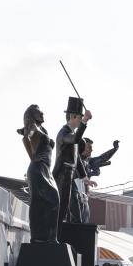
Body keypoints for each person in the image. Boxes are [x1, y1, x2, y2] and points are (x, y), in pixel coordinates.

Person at [17, 104, 59, 242]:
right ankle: (43, 237)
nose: (43, 115)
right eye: (40, 113)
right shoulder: (33, 127)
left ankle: (45, 237)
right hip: (38, 169)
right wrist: (33, 157)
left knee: (43, 203)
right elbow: (25, 137)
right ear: (33, 115)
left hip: (45, 169)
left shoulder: (41, 129)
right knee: (50, 200)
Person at [52, 96, 91, 239]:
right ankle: (55, 236)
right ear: (73, 117)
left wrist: (84, 177)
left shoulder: (72, 134)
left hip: (69, 175)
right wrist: (85, 122)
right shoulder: (64, 133)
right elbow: (75, 140)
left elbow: (77, 158)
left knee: (68, 207)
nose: (80, 121)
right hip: (62, 175)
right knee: (61, 208)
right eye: (80, 118)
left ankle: (59, 236)